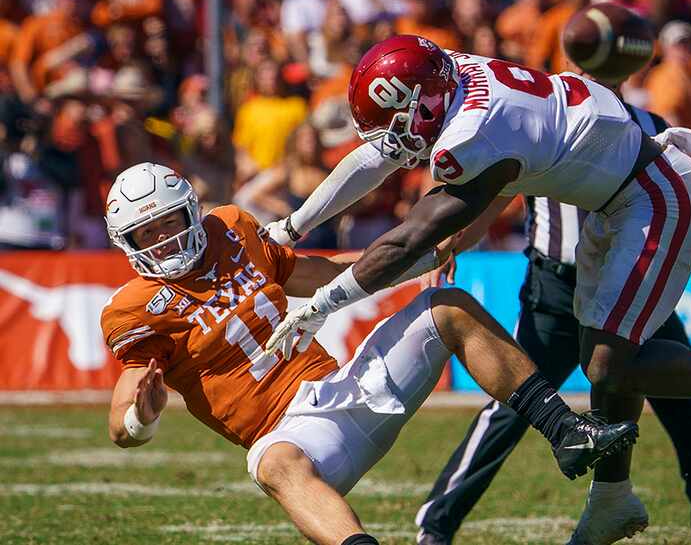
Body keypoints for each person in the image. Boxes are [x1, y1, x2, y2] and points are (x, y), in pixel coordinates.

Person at [264, 34, 691, 543]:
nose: (392, 143)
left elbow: (408, 243)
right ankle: (612, 498)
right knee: (602, 362)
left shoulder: (473, 133)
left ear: (425, 105)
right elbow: (376, 160)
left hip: (655, 198)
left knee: (612, 365)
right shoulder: (448, 70)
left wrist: (318, 305)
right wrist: (292, 227)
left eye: (396, 126)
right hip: (615, 205)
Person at [102, 162, 638, 545]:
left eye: (169, 223)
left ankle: (567, 432)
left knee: (446, 306)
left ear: (191, 213)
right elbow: (122, 419)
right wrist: (139, 418)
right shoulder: (135, 308)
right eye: (145, 233)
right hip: (298, 439)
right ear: (125, 243)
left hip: (345, 390)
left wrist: (415, 258)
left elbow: (325, 274)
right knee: (272, 463)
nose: (164, 241)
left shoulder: (233, 230)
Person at [414, 29, 691, 545]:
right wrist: (457, 239)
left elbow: (677, 195)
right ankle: (435, 526)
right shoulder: (548, 111)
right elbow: (500, 191)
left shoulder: (650, 124)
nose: (596, 75)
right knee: (510, 409)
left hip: (632, 285)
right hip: (555, 290)